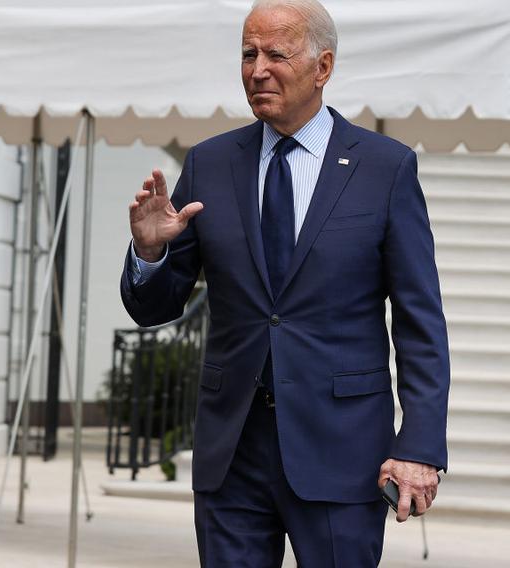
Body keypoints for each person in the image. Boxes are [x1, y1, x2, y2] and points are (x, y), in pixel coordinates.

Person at [120, 1, 450, 565]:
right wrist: (151, 252)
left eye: (277, 54)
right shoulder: (210, 163)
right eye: (249, 54)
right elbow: (156, 307)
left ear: (323, 67)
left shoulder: (384, 168)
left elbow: (420, 321)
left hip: (342, 451)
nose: (258, 69)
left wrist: (418, 445)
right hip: (233, 453)